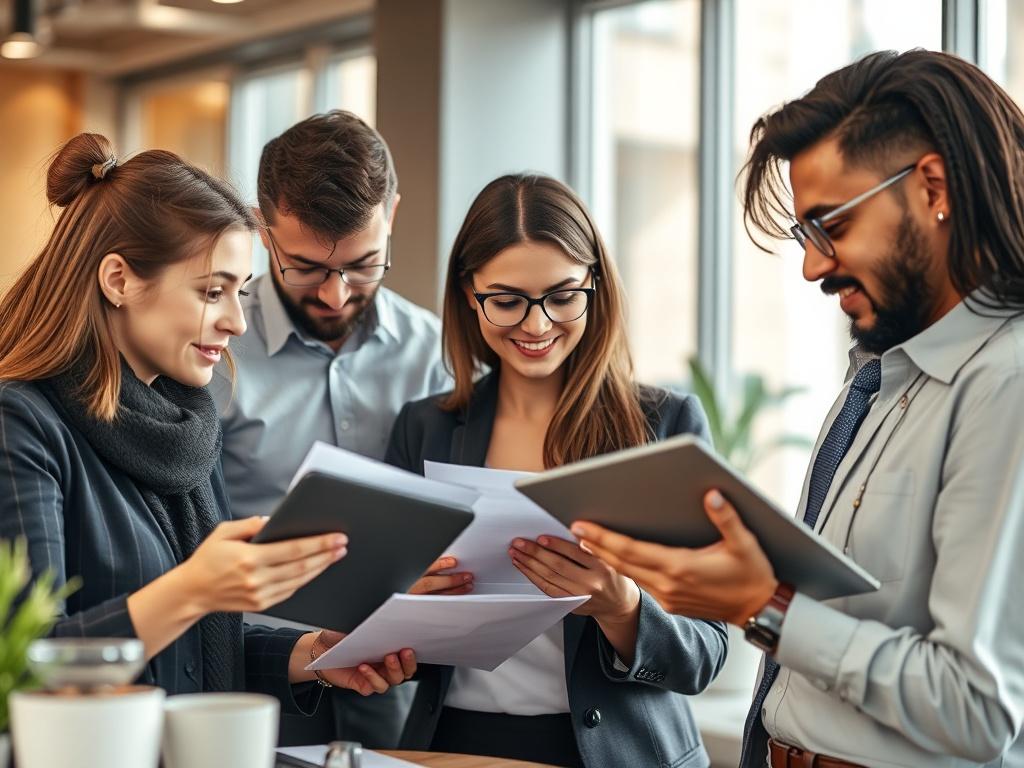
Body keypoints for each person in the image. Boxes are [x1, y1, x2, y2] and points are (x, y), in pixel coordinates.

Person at [572, 49, 1024, 767]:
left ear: (933, 186)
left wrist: (762, 606)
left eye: (831, 226)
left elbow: (976, 707)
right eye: (806, 237)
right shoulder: (878, 374)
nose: (813, 266)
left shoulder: (1005, 386)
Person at [0, 133, 416, 708]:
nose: (236, 322)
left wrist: (314, 654)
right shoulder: (20, 423)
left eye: (239, 291)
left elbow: (199, 645)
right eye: (212, 291)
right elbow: (24, 660)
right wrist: (193, 590)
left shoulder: (186, 425)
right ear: (118, 279)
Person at [386, 174, 728, 768]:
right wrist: (405, 609)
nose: (537, 325)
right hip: (454, 746)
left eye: (562, 295)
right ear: (470, 293)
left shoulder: (664, 426)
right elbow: (375, 628)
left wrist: (622, 606)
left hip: (618, 753)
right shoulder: (424, 430)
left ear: (595, 284)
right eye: (507, 299)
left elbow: (704, 654)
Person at [210, 111, 459, 746]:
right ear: (264, 233)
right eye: (306, 268)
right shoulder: (214, 351)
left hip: (394, 678)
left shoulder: (437, 352)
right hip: (248, 677)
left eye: (364, 265)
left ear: (393, 216)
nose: (335, 295)